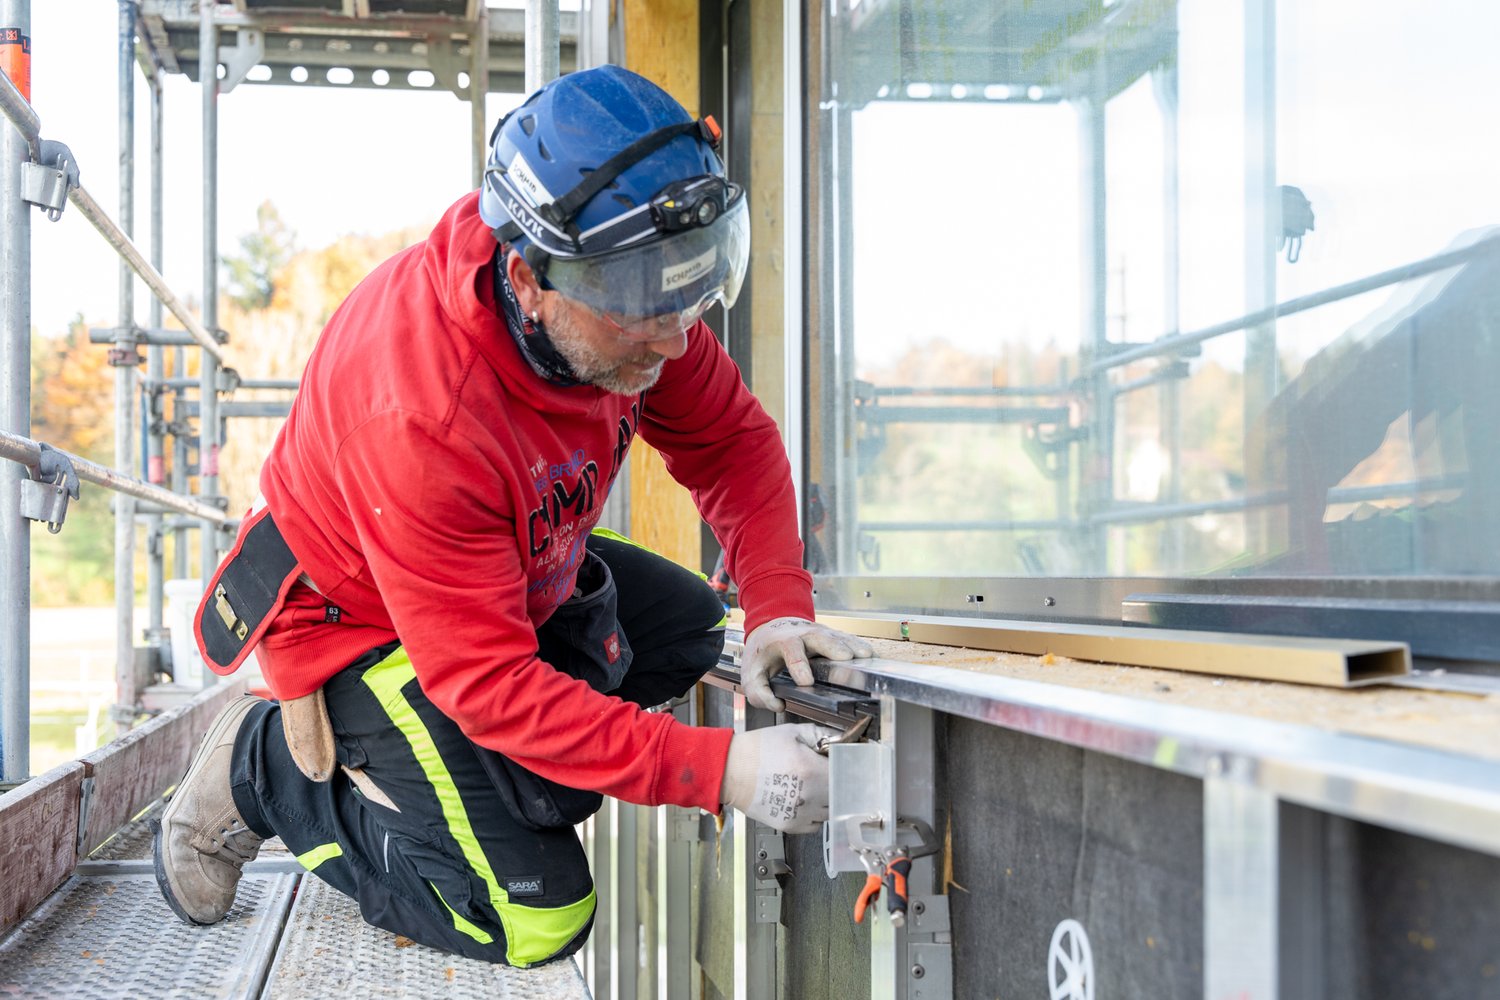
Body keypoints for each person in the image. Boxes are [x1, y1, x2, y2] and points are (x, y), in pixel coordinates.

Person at [151, 65, 873, 968]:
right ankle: (267, 771)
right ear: (528, 279)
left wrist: (777, 605)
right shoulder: (423, 415)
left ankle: (484, 772)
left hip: (497, 570)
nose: (676, 337)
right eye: (645, 308)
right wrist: (715, 772)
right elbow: (487, 684)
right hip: (361, 621)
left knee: (689, 636)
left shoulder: (624, 283)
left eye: (686, 292)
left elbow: (732, 441)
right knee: (535, 919)